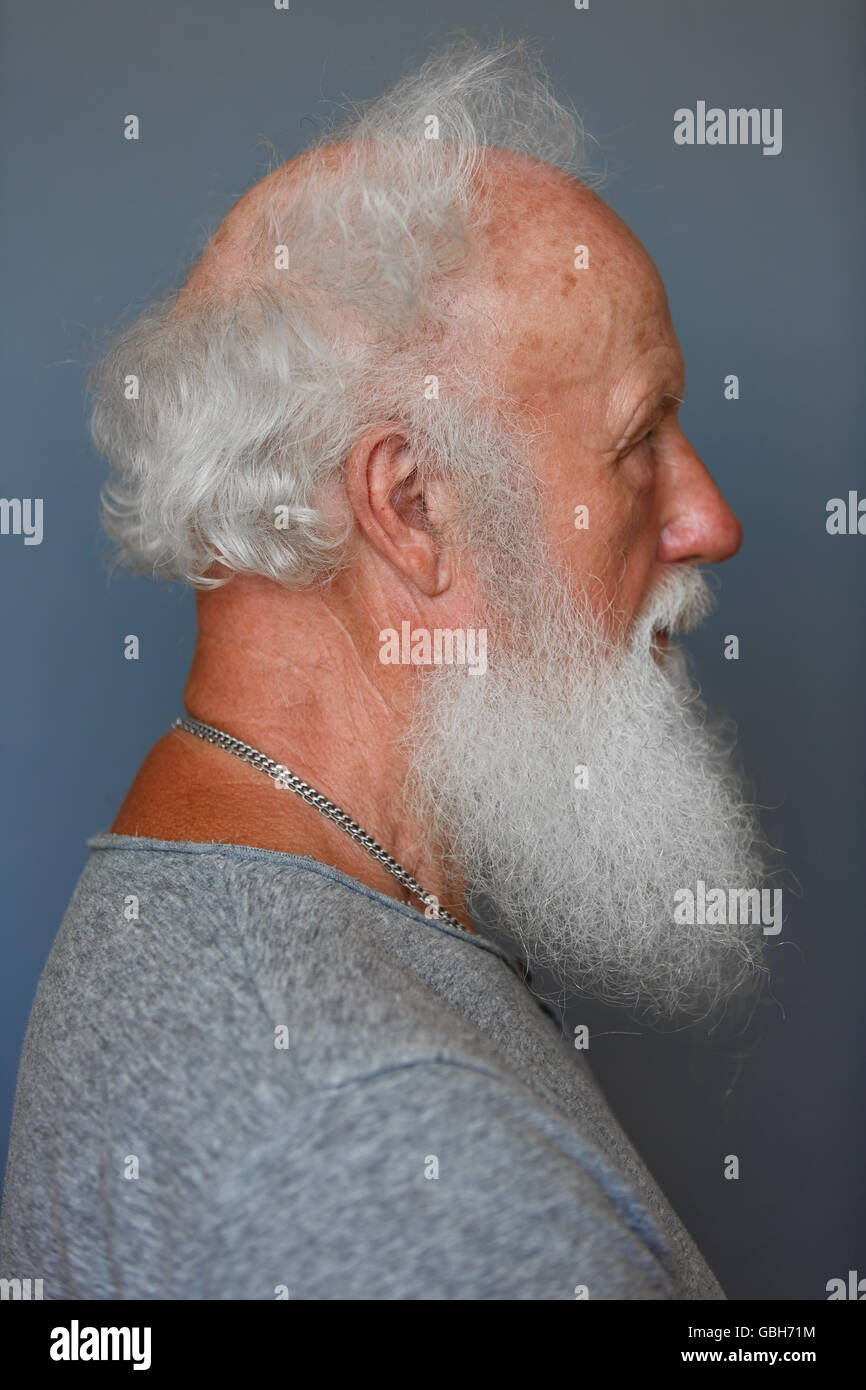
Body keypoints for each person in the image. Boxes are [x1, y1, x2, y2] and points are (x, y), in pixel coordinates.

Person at [0, 39, 773, 1300]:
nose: (707, 517)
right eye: (638, 439)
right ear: (409, 506)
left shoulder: (192, 877)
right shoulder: (404, 1164)